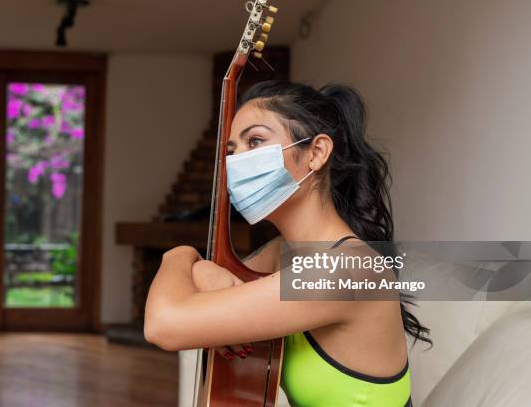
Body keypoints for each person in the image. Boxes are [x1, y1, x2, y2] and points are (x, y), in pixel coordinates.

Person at [144, 80, 431, 406]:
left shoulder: (344, 269)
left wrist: (179, 253)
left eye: (255, 141)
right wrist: (207, 272)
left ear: (317, 153)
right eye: (232, 150)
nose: (236, 162)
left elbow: (164, 324)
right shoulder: (286, 251)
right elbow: (197, 294)